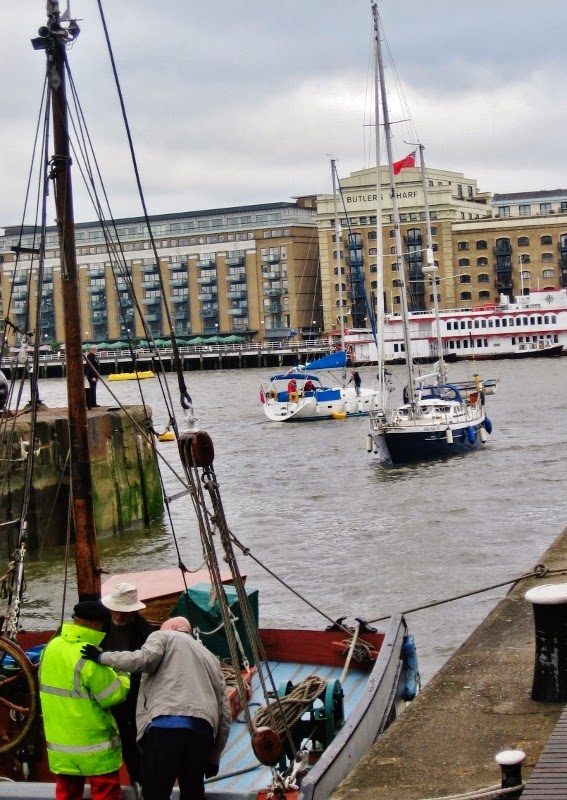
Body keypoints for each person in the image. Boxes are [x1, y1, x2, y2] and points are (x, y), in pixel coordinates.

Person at [82, 616, 231, 800]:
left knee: (155, 793)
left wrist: (101, 657)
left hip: (165, 729)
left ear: (173, 627)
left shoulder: (164, 636)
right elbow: (225, 713)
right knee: (193, 794)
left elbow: (144, 659)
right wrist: (213, 758)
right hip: (201, 733)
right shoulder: (211, 658)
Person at [39, 600, 130, 800]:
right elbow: (113, 696)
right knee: (105, 794)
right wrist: (124, 673)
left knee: (67, 794)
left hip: (60, 748)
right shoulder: (89, 654)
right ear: (96, 625)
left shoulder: (51, 647)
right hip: (95, 747)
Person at [101, 583, 155, 799]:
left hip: (134, 696)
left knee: (133, 742)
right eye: (115, 610)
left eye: (123, 611)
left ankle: (138, 782)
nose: (118, 615)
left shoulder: (145, 632)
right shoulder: (102, 624)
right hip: (102, 692)